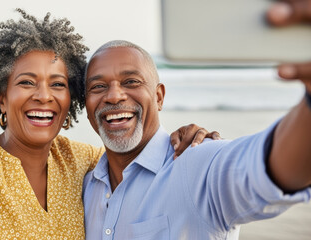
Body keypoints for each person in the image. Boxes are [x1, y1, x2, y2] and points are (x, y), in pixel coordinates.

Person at [0, 9, 219, 239]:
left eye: (58, 84)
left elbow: (137, 151)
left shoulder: (84, 163)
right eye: (26, 82)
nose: (43, 96)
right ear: (1, 97)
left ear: (72, 100)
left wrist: (187, 138)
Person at [82, 1, 311, 239]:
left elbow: (267, 168)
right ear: (86, 106)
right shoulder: (85, 186)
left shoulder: (196, 163)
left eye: (131, 82)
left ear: (159, 97)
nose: (114, 96)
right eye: (98, 86)